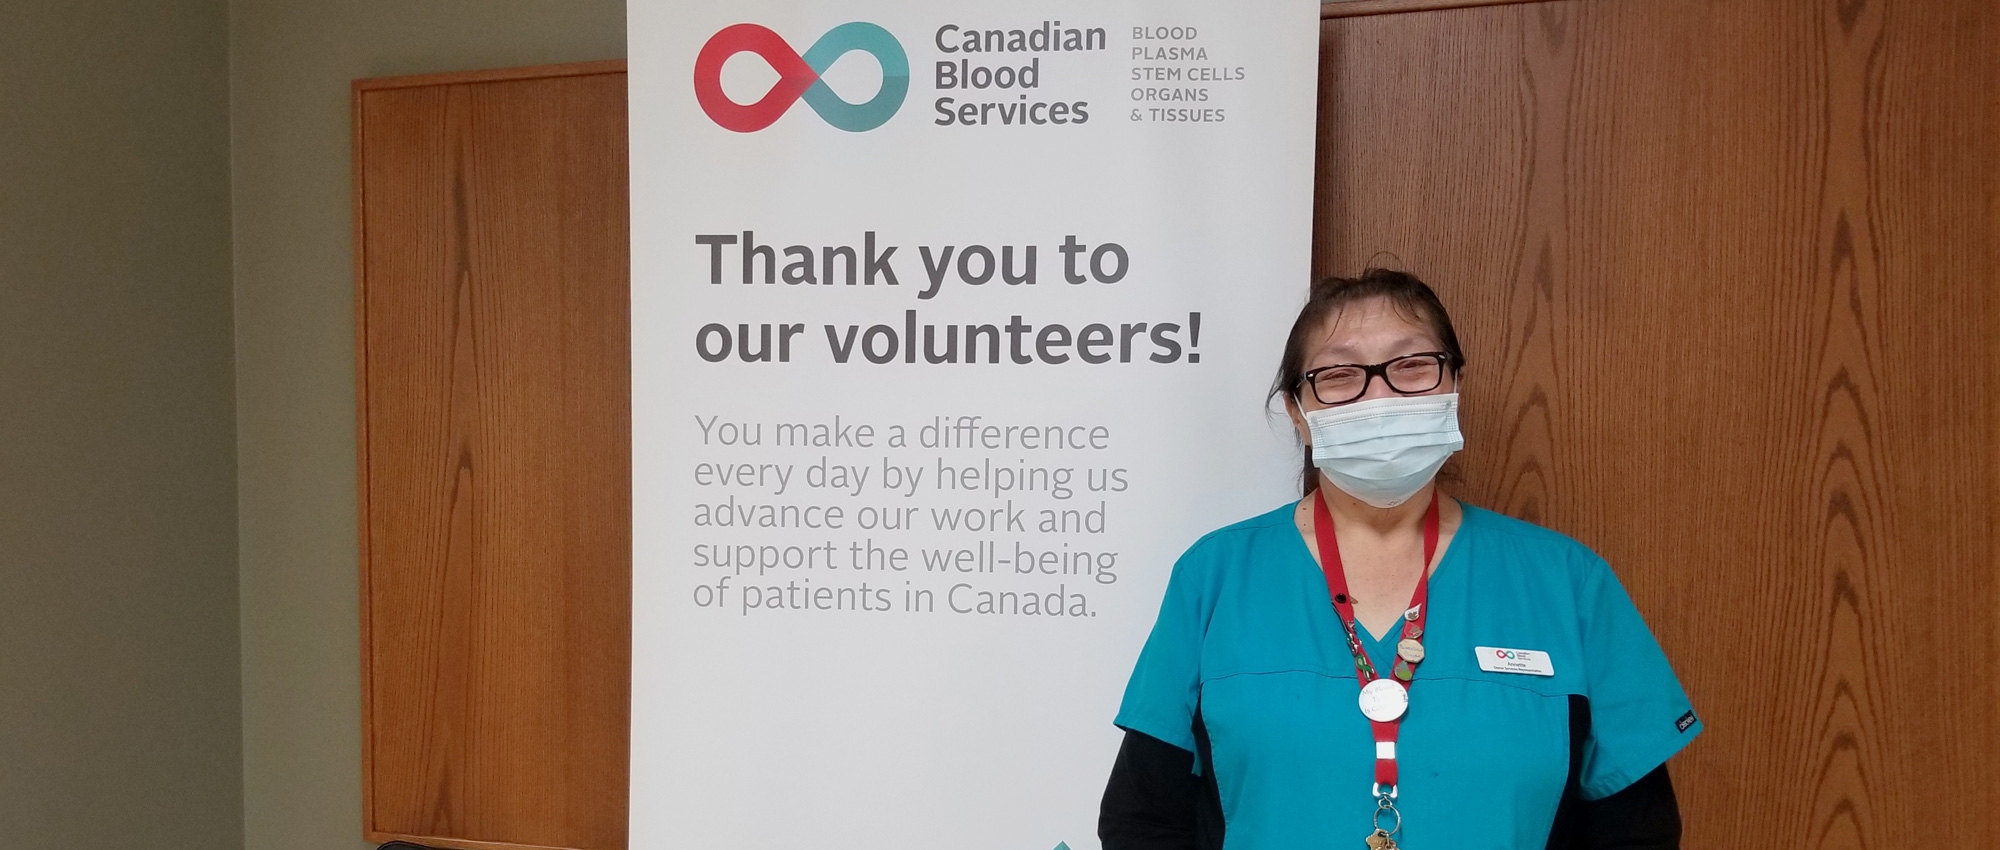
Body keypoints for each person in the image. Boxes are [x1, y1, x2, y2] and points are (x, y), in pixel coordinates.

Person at [1100, 269, 1699, 850]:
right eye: (1339, 374)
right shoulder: (1215, 576)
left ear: (1453, 388)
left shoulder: (1568, 582)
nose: (1380, 396)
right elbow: (1143, 824)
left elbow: (1636, 832)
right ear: (1297, 415)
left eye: (1412, 366)